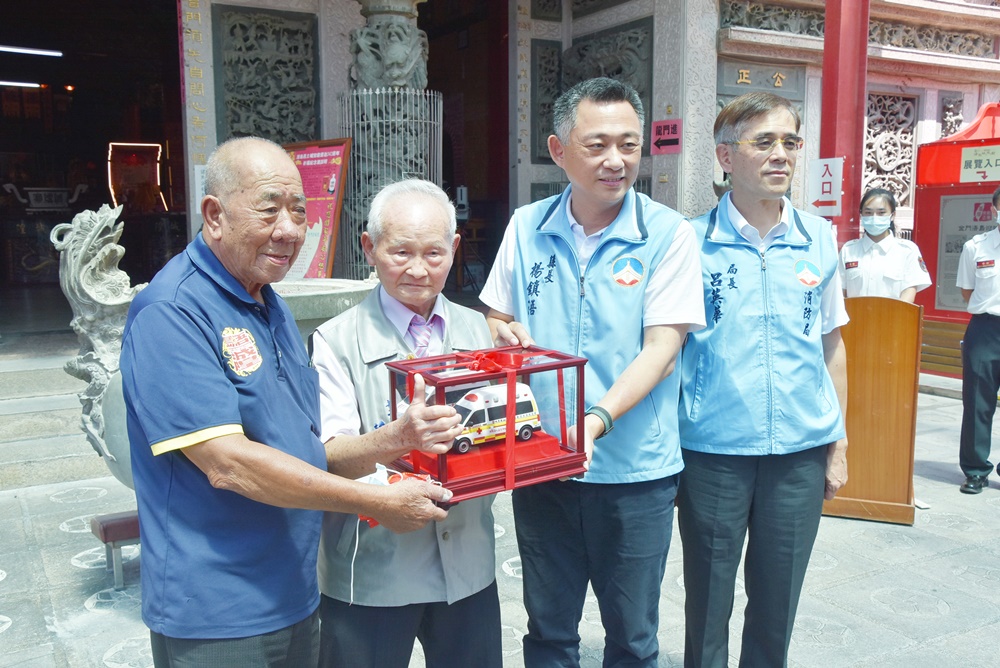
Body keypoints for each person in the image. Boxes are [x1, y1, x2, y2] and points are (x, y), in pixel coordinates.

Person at [119, 137, 452, 668]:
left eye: (299, 211)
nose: (291, 229)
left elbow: (302, 447)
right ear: (215, 215)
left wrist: (396, 441)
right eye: (270, 209)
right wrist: (374, 503)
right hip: (219, 609)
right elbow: (228, 464)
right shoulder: (173, 311)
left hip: (294, 592)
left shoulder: (265, 302)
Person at [480, 77, 706, 666]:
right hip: (541, 463)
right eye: (598, 145)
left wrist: (598, 419)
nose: (616, 161)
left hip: (633, 473)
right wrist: (500, 332)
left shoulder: (668, 235)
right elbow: (497, 314)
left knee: (632, 637)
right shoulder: (527, 227)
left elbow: (662, 347)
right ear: (558, 151)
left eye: (629, 145)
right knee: (549, 630)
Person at [677, 91, 849, 667]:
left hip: (799, 453)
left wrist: (838, 442)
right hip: (713, 453)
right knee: (708, 601)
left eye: (791, 142)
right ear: (726, 157)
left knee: (778, 604)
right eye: (764, 142)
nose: (782, 155)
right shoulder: (688, 242)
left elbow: (831, 342)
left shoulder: (818, 239)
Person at [310, 179, 501, 667]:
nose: (418, 270)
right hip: (373, 571)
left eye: (434, 253)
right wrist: (399, 437)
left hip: (467, 566)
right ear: (369, 248)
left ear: (455, 249)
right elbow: (328, 455)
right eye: (400, 252)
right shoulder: (335, 340)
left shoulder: (476, 329)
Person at [956, 185, 1000, 494]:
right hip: (985, 329)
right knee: (977, 403)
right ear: (995, 208)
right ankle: (975, 470)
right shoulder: (976, 246)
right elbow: (967, 291)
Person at [839, 187, 931, 302]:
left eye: (881, 213)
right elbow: (840, 292)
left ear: (892, 215)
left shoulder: (907, 250)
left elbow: (909, 291)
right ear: (861, 215)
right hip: (855, 319)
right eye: (868, 212)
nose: (874, 217)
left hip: (893, 318)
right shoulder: (848, 250)